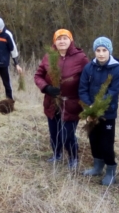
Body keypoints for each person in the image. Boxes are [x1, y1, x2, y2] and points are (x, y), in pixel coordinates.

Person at [34, 29, 89, 170]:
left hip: (71, 103)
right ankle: (57, 154)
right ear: (54, 42)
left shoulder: (80, 58)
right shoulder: (49, 56)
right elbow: (38, 76)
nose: (62, 41)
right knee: (54, 132)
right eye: (59, 39)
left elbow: (89, 78)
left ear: (70, 40)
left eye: (65, 38)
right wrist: (46, 88)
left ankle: (73, 158)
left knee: (67, 135)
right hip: (52, 102)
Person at [78, 37, 119, 185]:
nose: (101, 53)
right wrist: (89, 107)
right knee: (94, 140)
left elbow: (112, 92)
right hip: (91, 112)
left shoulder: (117, 69)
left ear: (109, 51)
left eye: (104, 50)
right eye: (98, 50)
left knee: (106, 143)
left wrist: (97, 107)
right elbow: (83, 89)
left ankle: (111, 171)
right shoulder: (89, 68)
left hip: (107, 113)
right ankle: (97, 167)